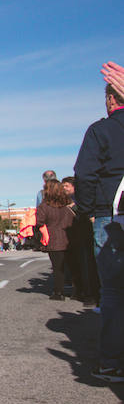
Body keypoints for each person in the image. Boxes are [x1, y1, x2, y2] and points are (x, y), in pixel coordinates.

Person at [74, 66, 124, 382]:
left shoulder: (100, 130)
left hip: (111, 216)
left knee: (115, 292)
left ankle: (111, 362)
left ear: (109, 99)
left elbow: (85, 174)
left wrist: (89, 209)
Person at [62, 176, 99, 306]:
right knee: (82, 264)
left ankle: (91, 295)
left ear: (74, 186)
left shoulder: (80, 199)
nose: (64, 188)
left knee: (87, 263)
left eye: (66, 185)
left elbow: (87, 213)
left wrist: (73, 207)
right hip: (77, 236)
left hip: (85, 234)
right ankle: (85, 291)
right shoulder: (70, 200)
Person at [35, 180, 75, 300]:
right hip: (70, 238)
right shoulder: (67, 204)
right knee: (72, 266)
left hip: (54, 239)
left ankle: (58, 292)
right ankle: (77, 290)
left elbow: (39, 222)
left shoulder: (45, 206)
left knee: (58, 268)